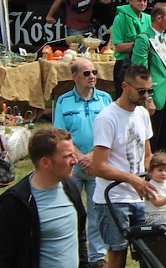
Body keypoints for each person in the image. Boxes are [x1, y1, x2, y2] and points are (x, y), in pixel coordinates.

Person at [91, 64, 159, 268]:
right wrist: (132, 179)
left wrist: (160, 175)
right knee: (118, 256)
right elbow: (98, 166)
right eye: (141, 91)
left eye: (149, 90)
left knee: (149, 255)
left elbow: (147, 156)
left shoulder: (142, 114)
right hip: (113, 199)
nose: (146, 96)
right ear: (125, 86)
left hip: (139, 197)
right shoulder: (107, 118)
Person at [53, 58, 112, 266]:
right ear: (74, 77)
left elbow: (111, 132)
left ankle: (97, 257)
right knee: (71, 212)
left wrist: (93, 157)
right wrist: (81, 157)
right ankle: (74, 255)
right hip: (72, 167)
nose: (92, 76)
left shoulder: (105, 99)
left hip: (99, 164)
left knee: (97, 211)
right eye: (87, 73)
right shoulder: (63, 101)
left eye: (94, 72)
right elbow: (60, 134)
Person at [0, 128, 86, 268]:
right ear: (45, 162)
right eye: (67, 156)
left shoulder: (70, 188)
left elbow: (80, 236)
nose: (75, 161)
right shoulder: (15, 202)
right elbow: (4, 256)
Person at [131, 2, 166, 154]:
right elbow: (139, 71)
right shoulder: (144, 38)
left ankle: (161, 168)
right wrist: (148, 97)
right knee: (152, 135)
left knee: (165, 135)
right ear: (159, 18)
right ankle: (148, 168)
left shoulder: (163, 37)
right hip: (154, 93)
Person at [110, 0, 150, 97]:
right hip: (124, 65)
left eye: (145, 1)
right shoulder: (120, 18)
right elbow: (118, 47)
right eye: (139, 0)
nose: (142, 3)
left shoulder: (148, 18)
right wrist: (138, 45)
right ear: (130, 1)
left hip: (144, 64)